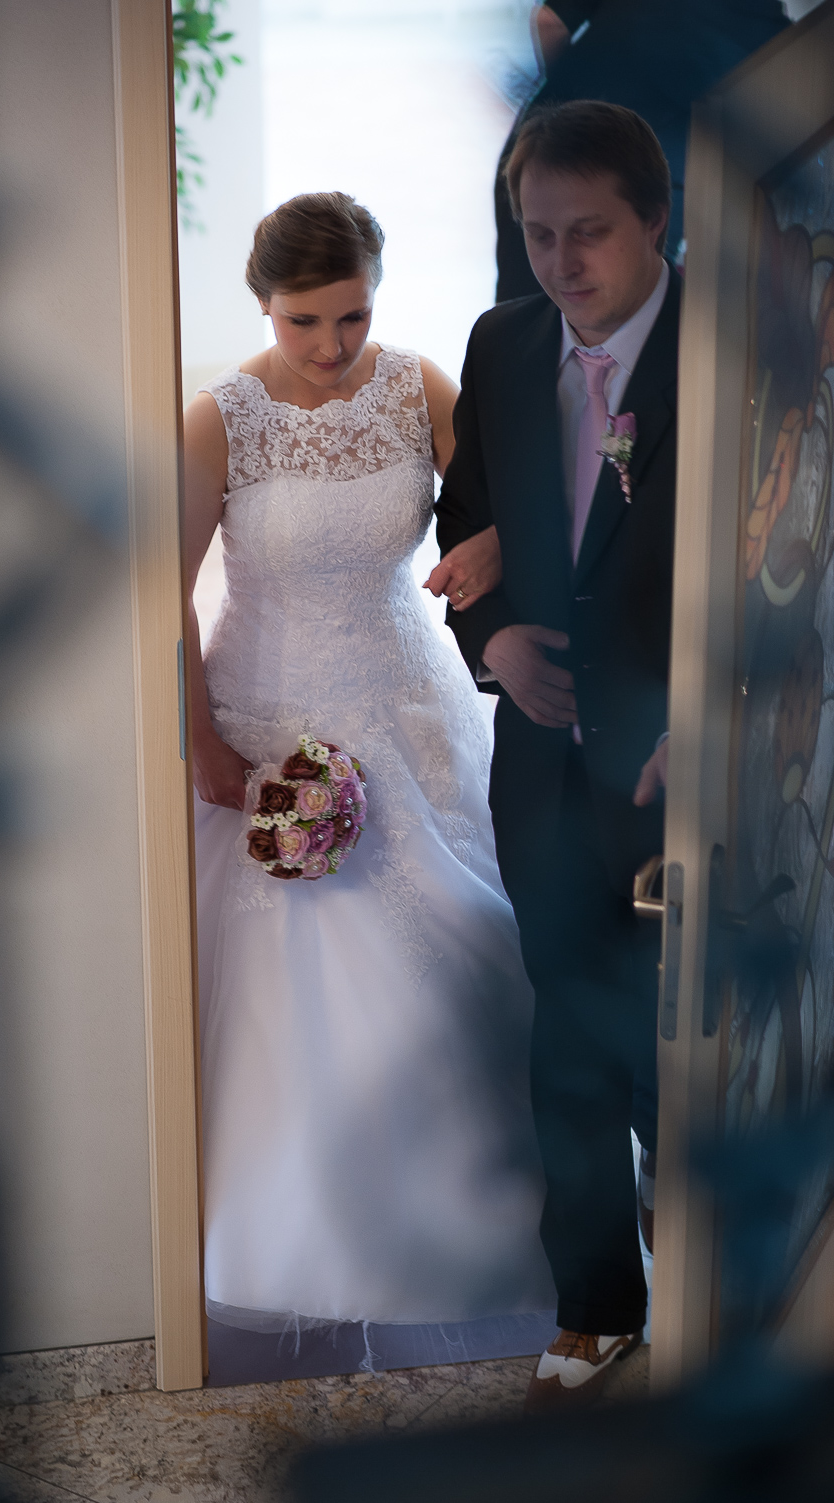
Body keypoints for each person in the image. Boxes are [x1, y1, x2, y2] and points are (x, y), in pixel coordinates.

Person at [184, 192, 553, 1334]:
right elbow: (157, 595)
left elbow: (518, 503)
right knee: (296, 994)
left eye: (353, 315)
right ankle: (297, 1249)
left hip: (412, 710)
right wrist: (202, 739)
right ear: (264, 304)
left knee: (466, 962)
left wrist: (492, 542)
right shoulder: (221, 418)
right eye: (304, 321)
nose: (332, 346)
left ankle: (475, 1240)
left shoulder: (417, 386)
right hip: (268, 721)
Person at [435, 101, 678, 1410]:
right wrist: (492, 641)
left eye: (590, 232)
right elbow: (468, 516)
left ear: (655, 221)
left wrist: (717, 718)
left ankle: (719, 1297)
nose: (561, 262)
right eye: (538, 234)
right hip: (540, 772)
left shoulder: (737, 347)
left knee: (683, 1054)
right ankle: (593, 1313)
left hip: (686, 780)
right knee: (569, 1045)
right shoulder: (503, 341)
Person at [494, 0, 790, 300]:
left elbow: (549, 22)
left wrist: (572, 108)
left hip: (536, 147)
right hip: (623, 179)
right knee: (622, 309)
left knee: (523, 312)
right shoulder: (766, 31)